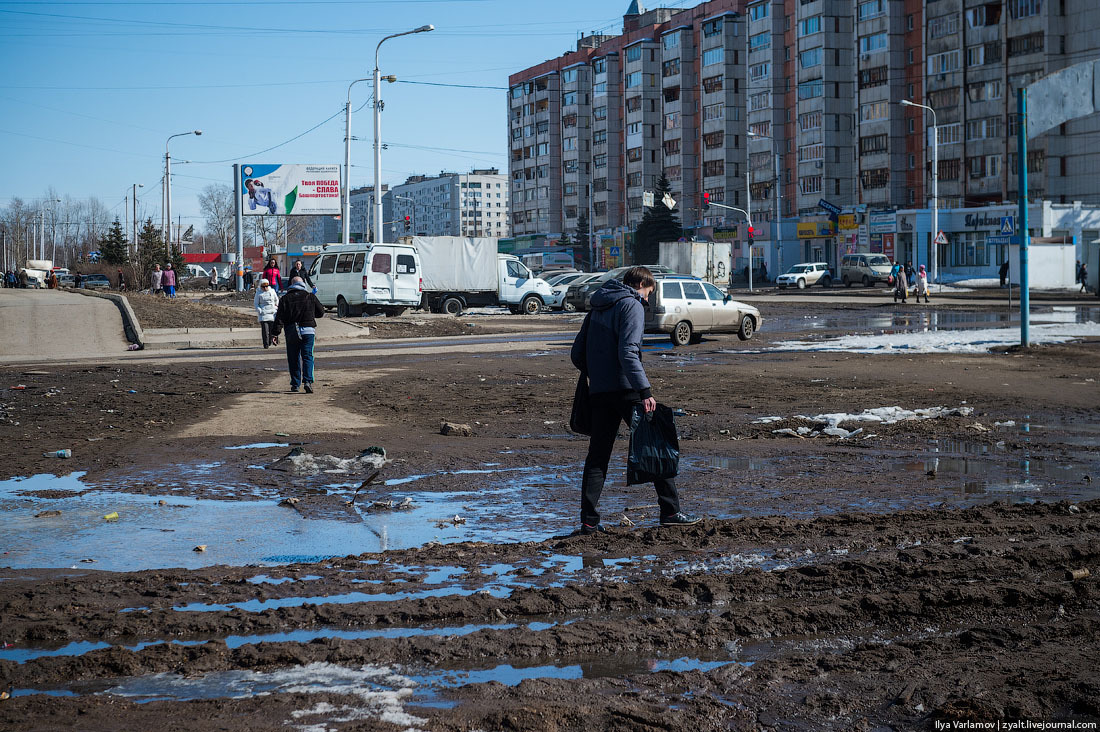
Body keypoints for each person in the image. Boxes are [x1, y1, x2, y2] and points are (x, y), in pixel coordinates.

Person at [570, 266, 700, 535]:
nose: (647, 300)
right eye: (648, 293)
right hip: (628, 388)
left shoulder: (597, 307)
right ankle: (670, 512)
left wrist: (598, 372)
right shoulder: (631, 305)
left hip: (600, 391)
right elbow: (628, 352)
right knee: (655, 444)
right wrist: (645, 391)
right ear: (640, 283)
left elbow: (577, 354)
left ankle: (588, 522)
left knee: (598, 456)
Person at [271, 276, 324, 393]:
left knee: (293, 357)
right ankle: (308, 382)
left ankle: (295, 384)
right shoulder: (310, 296)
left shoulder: (285, 299)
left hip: (292, 331)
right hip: (308, 331)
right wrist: (310, 313)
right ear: (303, 284)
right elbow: (321, 312)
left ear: (291, 284)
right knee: (307, 356)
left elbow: (279, 318)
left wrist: (275, 334)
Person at [253, 278, 280, 348]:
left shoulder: (272, 291)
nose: (265, 288)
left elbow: (276, 300)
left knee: (272, 329)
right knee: (265, 330)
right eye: (263, 286)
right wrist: (259, 310)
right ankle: (266, 344)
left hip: (272, 313)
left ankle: (271, 341)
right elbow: (256, 303)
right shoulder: (258, 293)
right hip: (263, 314)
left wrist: (276, 307)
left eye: (266, 286)